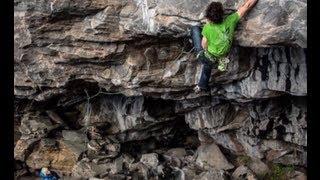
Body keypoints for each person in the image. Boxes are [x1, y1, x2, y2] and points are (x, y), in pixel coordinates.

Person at [191, 0, 258, 93]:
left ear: (209, 18)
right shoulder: (231, 20)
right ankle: (202, 85)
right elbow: (247, 6)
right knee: (208, 63)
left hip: (209, 54)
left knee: (195, 28)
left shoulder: (207, 27)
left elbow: (204, 44)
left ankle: (202, 84)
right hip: (222, 53)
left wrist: (205, 51)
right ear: (222, 15)